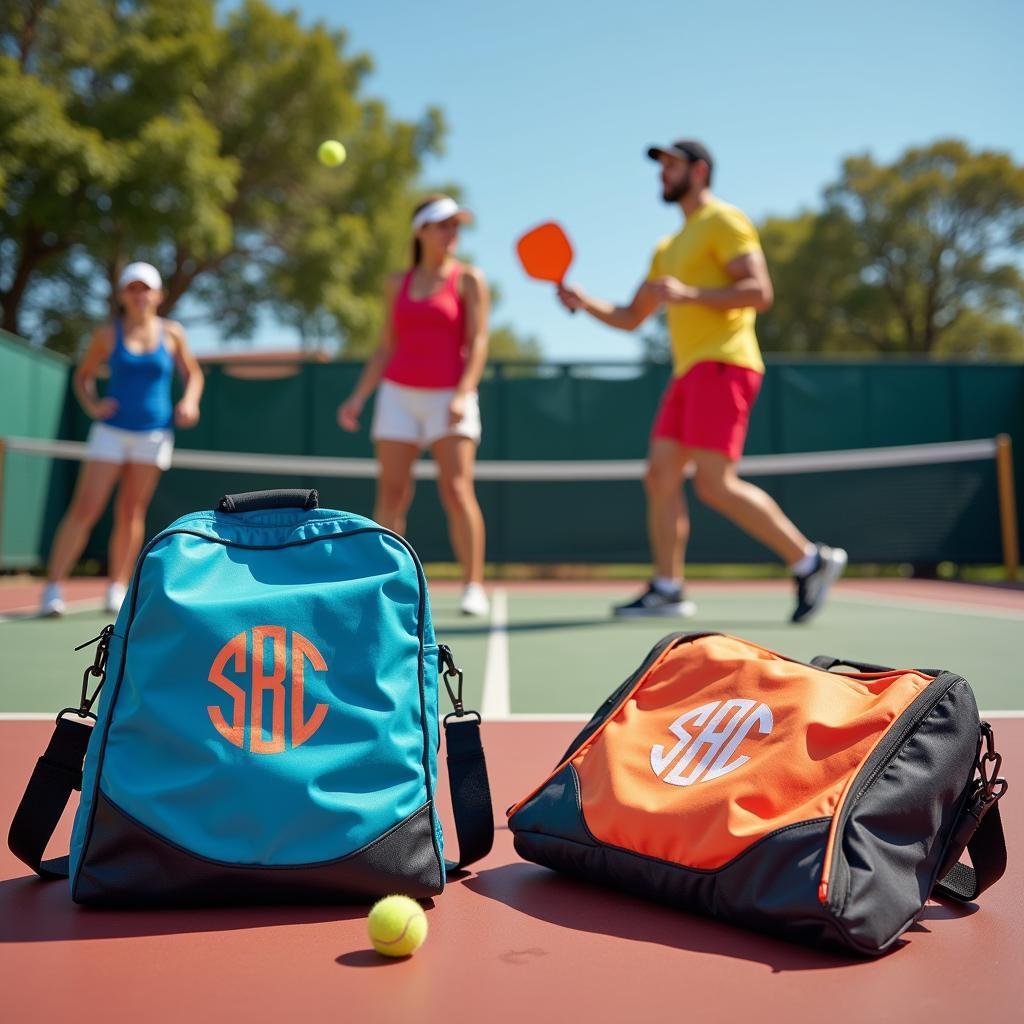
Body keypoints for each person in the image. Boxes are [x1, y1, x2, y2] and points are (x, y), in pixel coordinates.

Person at [557, 139, 846, 622]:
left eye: (671, 166)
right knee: (660, 476)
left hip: (725, 363)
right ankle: (668, 588)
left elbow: (759, 291)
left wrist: (688, 293)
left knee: (714, 483)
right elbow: (631, 316)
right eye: (661, 167)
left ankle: (810, 559)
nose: (662, 174)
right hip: (689, 371)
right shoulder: (666, 247)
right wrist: (584, 301)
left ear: (700, 170)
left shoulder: (724, 220)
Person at [338, 195, 491, 617]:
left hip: (451, 397)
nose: (452, 233)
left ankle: (473, 585)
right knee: (392, 493)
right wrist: (358, 397)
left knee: (457, 490)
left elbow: (478, 341)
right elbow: (387, 345)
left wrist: (464, 391)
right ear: (421, 230)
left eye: (456, 225)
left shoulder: (469, 279)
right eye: (444, 225)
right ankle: (385, 583)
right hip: (398, 397)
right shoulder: (396, 283)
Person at [40, 262, 204, 617]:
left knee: (131, 510)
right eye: (133, 287)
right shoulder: (107, 334)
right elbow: (83, 376)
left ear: (158, 295)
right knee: (86, 507)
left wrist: (189, 401)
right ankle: (53, 588)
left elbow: (193, 374)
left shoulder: (172, 333)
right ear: (123, 295)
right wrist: (93, 405)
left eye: (146, 288)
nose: (139, 294)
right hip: (111, 433)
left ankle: (116, 587)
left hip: (154, 434)